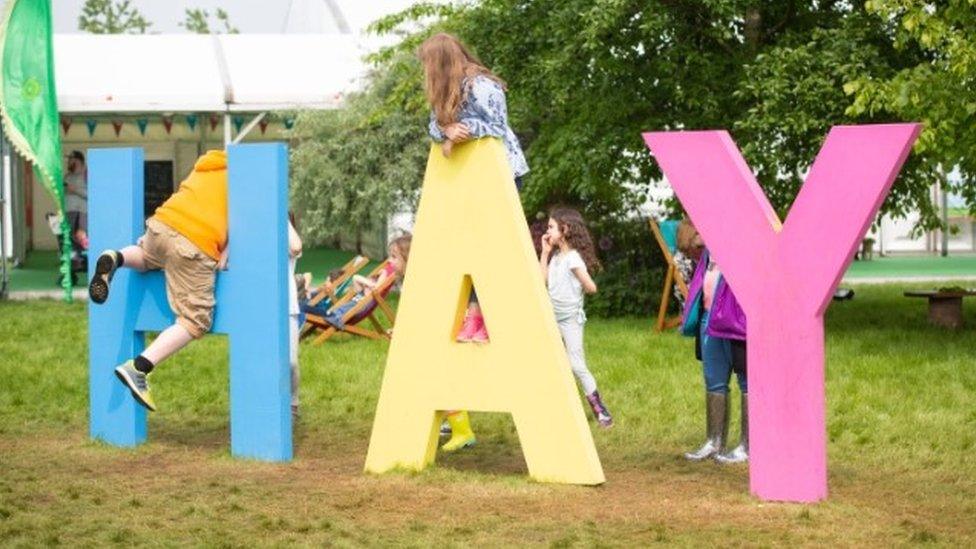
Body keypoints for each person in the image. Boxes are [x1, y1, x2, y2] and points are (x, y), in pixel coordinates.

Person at [88, 150, 230, 412]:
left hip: (161, 223)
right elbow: (239, 225)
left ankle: (117, 257)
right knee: (195, 320)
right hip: (194, 242)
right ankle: (139, 368)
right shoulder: (241, 181)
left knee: (145, 258)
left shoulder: (206, 167)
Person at [419, 32, 529, 344]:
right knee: (466, 244)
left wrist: (459, 133)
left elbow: (497, 126)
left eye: (428, 63)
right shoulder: (445, 90)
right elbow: (432, 126)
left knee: (489, 244)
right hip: (467, 175)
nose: (425, 70)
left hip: (499, 173)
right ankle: (472, 312)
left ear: (440, 61)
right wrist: (445, 131)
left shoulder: (482, 85)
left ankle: (484, 314)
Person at [539, 207, 613, 428]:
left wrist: (577, 277)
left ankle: (600, 411)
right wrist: (544, 253)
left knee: (577, 365)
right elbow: (541, 281)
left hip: (569, 320)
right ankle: (556, 409)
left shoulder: (572, 258)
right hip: (551, 318)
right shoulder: (555, 257)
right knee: (550, 363)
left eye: (551, 227)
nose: (547, 231)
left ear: (565, 229)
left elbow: (591, 287)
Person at [680, 247, 748, 463]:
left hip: (736, 320)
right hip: (708, 318)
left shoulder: (745, 242)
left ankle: (747, 446)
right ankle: (714, 442)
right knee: (714, 381)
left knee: (747, 382)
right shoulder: (710, 247)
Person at [320, 236, 411, 330]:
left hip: (361, 305)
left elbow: (376, 289)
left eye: (394, 256)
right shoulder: (387, 274)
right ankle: (332, 316)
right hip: (358, 301)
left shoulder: (385, 275)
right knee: (345, 305)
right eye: (390, 256)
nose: (388, 260)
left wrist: (381, 274)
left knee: (347, 306)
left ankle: (336, 319)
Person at [287, 213, 303, 419]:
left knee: (290, 362)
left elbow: (296, 246)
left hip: (287, 309)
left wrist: (282, 220)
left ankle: (292, 403)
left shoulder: (287, 242)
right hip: (258, 309)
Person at [673, 218, 704, 310]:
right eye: (697, 233)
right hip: (695, 302)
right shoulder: (681, 260)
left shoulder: (706, 255)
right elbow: (683, 291)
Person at [64, 150, 88, 231]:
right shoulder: (67, 176)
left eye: (71, 159)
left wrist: (75, 190)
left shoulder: (86, 175)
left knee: (79, 241)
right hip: (68, 212)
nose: (68, 161)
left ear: (78, 161)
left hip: (80, 213)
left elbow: (91, 194)